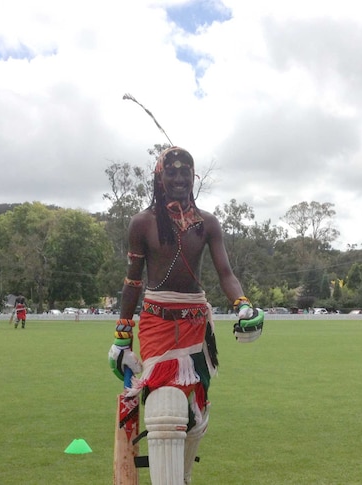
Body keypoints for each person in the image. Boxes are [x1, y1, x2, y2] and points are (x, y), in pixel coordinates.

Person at [108, 146, 264, 485]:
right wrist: (122, 337)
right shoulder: (142, 223)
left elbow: (226, 273)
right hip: (156, 323)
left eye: (186, 172)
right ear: (160, 177)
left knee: (195, 414)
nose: (179, 178)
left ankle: (182, 476)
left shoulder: (206, 223)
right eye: (172, 172)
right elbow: (133, 281)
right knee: (165, 409)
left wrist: (243, 305)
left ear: (194, 177)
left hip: (196, 326)